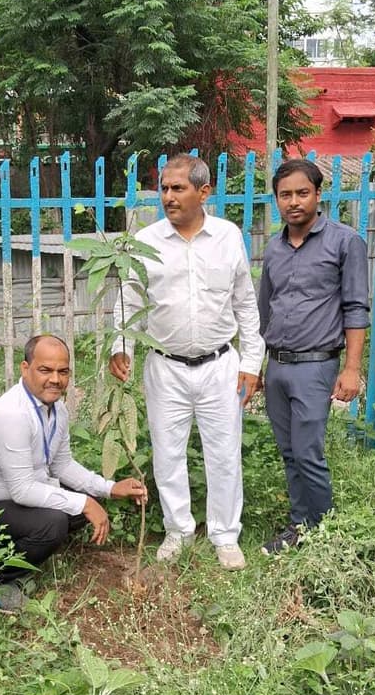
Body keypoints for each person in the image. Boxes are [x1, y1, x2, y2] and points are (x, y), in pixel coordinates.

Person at [109, 154, 264, 571]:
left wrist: (252, 361)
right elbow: (129, 299)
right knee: (167, 451)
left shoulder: (228, 237)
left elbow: (245, 303)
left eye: (178, 188)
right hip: (164, 366)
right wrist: (120, 347)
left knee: (224, 452)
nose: (168, 196)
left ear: (203, 192)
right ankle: (177, 529)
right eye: (163, 188)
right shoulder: (149, 241)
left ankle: (224, 535)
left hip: (219, 366)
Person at [0, 334, 147, 607]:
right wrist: (84, 503)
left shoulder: (57, 410)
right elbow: (22, 490)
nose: (55, 379)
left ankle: (22, 550)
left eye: (62, 372)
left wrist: (109, 488)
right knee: (55, 523)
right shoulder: (12, 414)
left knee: (82, 503)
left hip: (9, 500)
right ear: (25, 369)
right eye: (45, 370)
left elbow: (62, 465)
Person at [258, 158, 370, 555]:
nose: (294, 202)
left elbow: (356, 308)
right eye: (285, 195)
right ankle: (299, 524)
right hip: (277, 366)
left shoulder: (344, 241)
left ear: (318, 195)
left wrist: (352, 369)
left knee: (309, 452)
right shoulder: (273, 248)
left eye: (302, 193)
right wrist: (258, 366)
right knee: (289, 451)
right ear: (276, 200)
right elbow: (264, 311)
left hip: (316, 365)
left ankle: (323, 535)